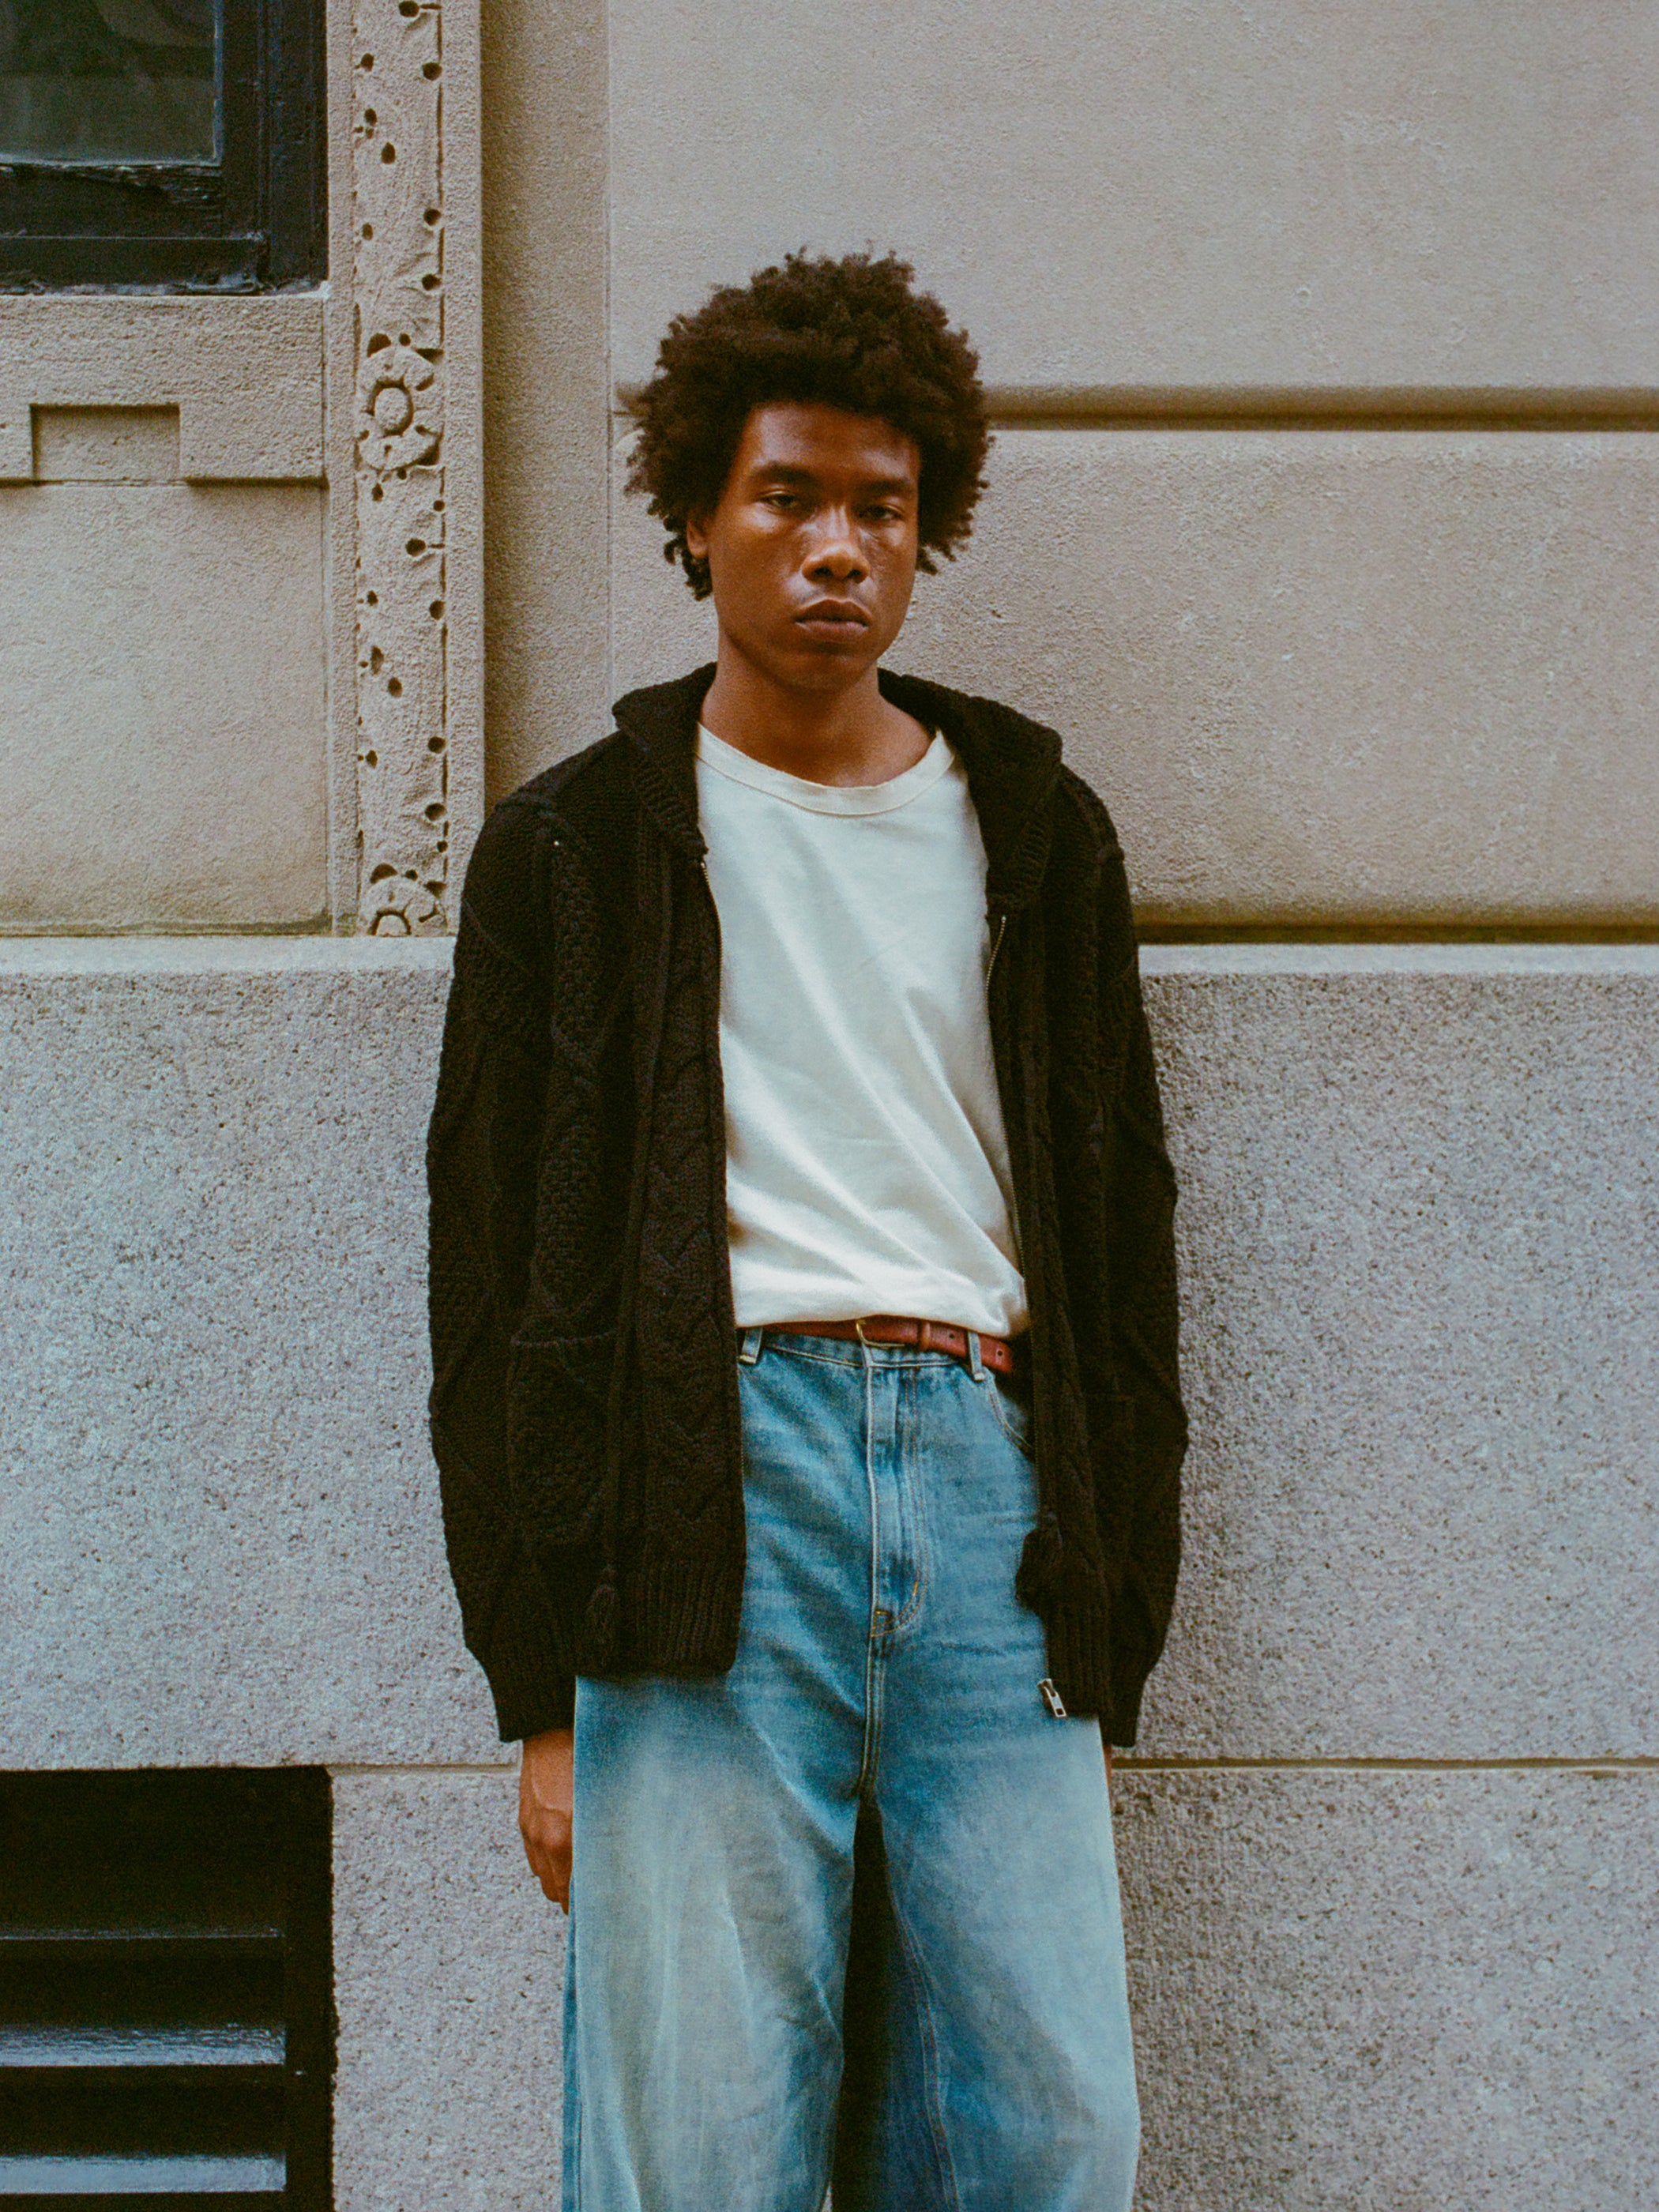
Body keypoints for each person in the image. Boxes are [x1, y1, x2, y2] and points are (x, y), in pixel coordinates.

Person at [427, 250, 1186, 2212]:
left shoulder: (1035, 824)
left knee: (1046, 2132)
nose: (838, 548)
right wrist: (534, 1686)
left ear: (927, 538)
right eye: (789, 495)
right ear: (697, 515)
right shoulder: (576, 849)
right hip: (701, 1498)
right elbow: (488, 1271)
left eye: (884, 508)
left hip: (988, 1487)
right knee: (697, 2141)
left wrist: (1113, 1612)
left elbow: (1122, 1239)